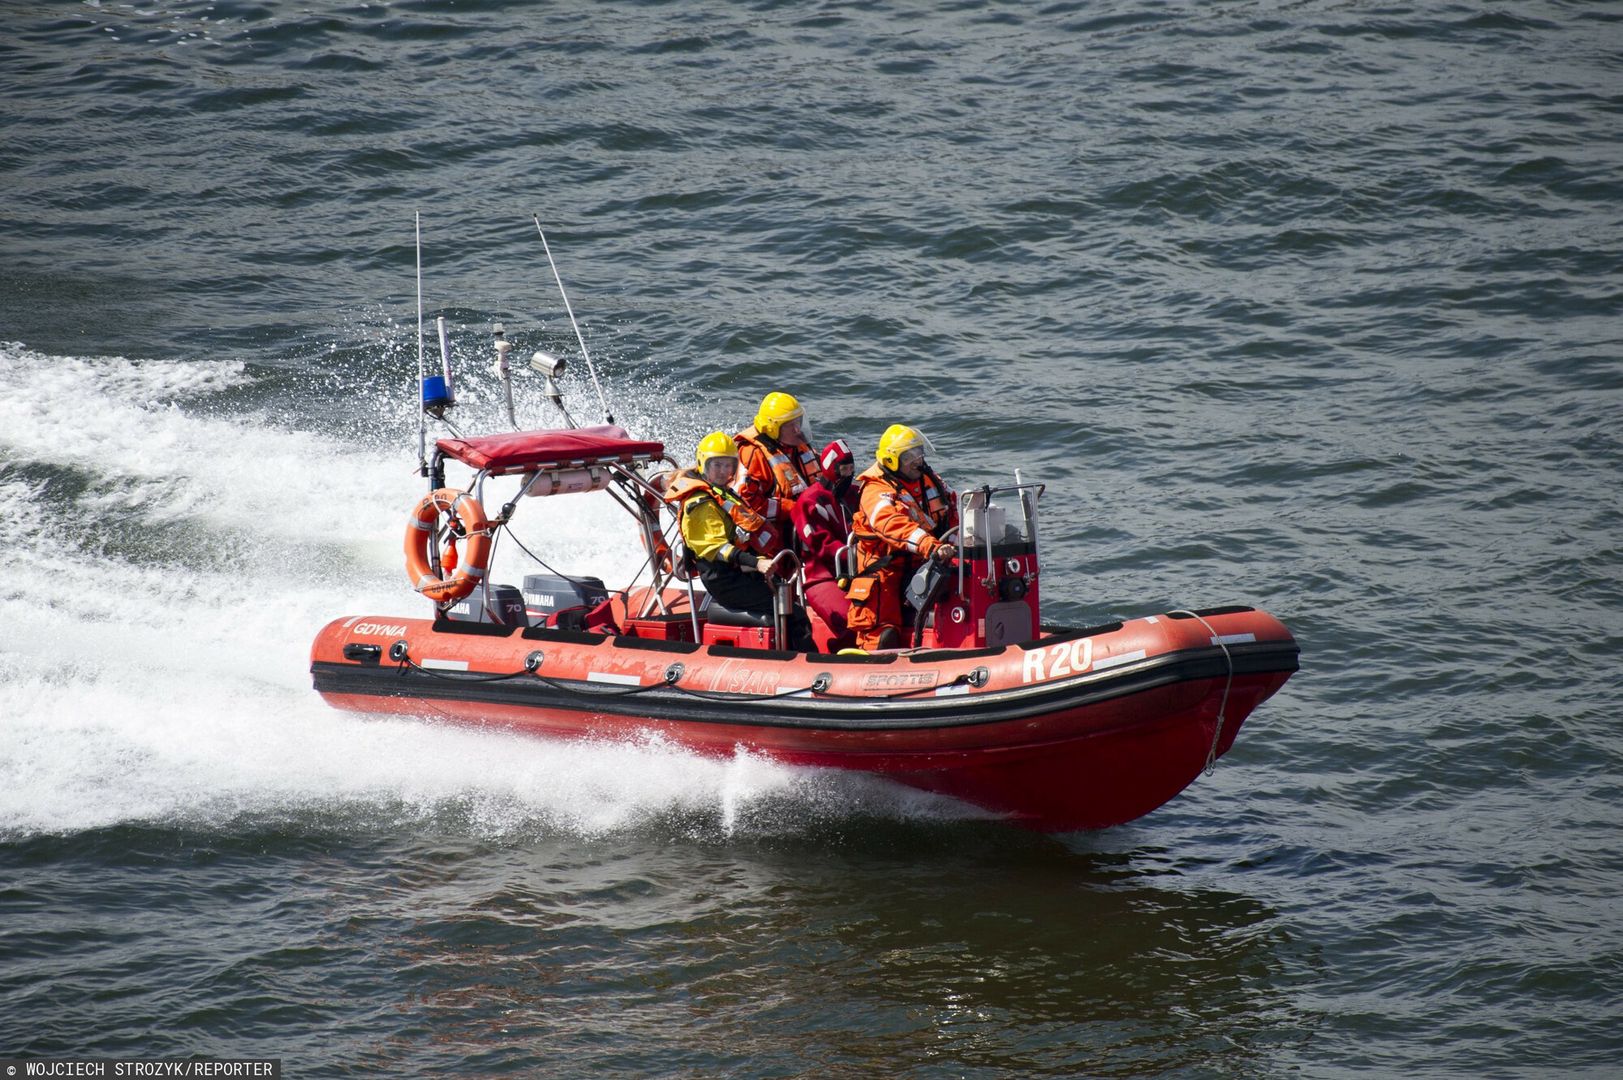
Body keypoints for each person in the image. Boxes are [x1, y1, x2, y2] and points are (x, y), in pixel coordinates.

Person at [667, 431, 815, 652]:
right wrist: (756, 563)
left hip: (738, 572)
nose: (724, 471)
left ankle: (795, 655)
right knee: (792, 612)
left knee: (789, 601)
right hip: (723, 579)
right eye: (717, 465)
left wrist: (759, 561)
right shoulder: (700, 504)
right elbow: (718, 549)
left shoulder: (723, 494)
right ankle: (804, 661)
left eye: (729, 466)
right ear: (703, 464)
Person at [846, 424, 958, 651]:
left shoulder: (927, 479)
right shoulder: (875, 490)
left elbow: (951, 513)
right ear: (891, 461)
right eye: (910, 456)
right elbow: (890, 523)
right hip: (885, 573)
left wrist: (963, 544)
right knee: (884, 635)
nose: (917, 460)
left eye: (918, 453)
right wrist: (930, 545)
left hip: (923, 564)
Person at [789, 439, 859, 651]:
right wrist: (857, 557)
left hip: (858, 571)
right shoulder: (811, 500)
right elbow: (822, 545)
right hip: (822, 576)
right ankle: (839, 654)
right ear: (831, 469)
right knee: (852, 624)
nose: (848, 474)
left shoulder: (855, 493)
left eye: (851, 469)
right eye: (843, 469)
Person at [734, 391, 821, 557]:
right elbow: (748, 505)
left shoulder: (797, 445)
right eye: (790, 425)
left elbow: (818, 474)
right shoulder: (753, 454)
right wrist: (791, 508)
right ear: (774, 429)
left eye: (799, 422)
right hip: (772, 541)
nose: (797, 429)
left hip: (804, 524)